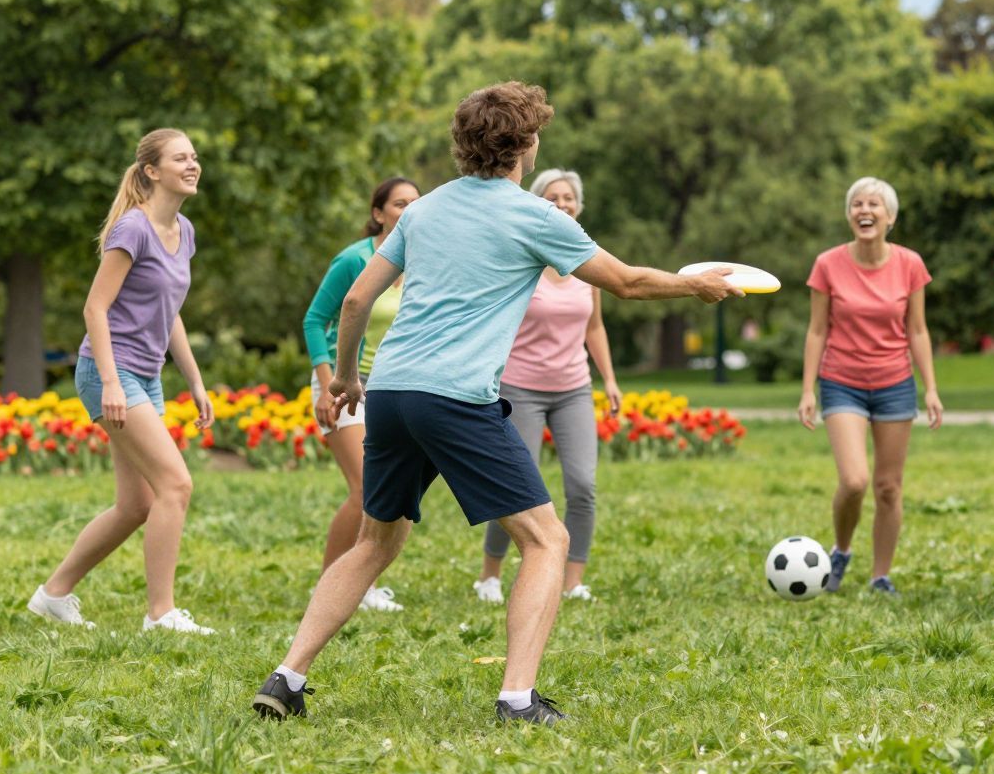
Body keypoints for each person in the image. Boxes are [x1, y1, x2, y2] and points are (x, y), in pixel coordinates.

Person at [251, 81, 740, 726]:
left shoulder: (423, 210)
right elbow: (624, 283)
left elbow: (355, 301)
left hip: (391, 390)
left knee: (374, 541)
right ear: (526, 145)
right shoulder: (536, 218)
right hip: (455, 397)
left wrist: (345, 377)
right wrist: (693, 284)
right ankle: (517, 699)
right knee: (547, 539)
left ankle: (286, 678)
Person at [28, 129, 217, 634]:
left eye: (194, 157)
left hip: (146, 375)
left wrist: (195, 381)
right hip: (108, 372)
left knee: (137, 504)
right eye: (180, 158)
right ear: (152, 171)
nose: (192, 165)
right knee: (175, 484)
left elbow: (170, 312)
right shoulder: (132, 228)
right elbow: (95, 308)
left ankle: (52, 595)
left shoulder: (184, 231)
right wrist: (111, 383)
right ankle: (161, 613)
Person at [476, 168, 621, 605]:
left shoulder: (587, 264)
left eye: (568, 197)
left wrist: (610, 379)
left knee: (582, 485)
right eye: (552, 197)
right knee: (515, 487)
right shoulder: (524, 260)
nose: (562, 203)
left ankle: (572, 581)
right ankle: (489, 576)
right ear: (538, 205)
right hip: (521, 388)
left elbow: (594, 327)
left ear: (578, 206)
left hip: (573, 388)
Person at [798, 177, 943, 597]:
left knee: (888, 488)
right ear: (849, 215)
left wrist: (931, 388)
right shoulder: (827, 264)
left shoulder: (910, 264)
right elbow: (817, 330)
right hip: (842, 382)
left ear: (890, 217)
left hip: (895, 384)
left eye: (874, 204)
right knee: (855, 481)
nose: (865, 210)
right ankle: (841, 549)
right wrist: (808, 390)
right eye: (857, 204)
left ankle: (880, 576)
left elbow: (917, 330)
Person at [302, 177, 421, 612]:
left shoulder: (423, 259)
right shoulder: (355, 259)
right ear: (378, 213)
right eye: (400, 203)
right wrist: (327, 384)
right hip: (345, 382)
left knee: (391, 492)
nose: (409, 211)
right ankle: (330, 586)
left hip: (393, 386)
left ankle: (362, 586)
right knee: (365, 489)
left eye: (416, 203)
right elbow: (314, 321)